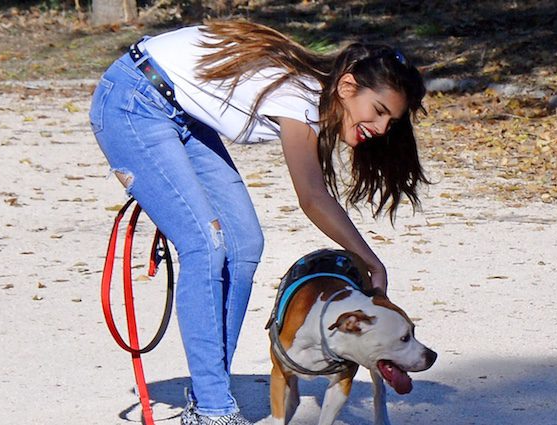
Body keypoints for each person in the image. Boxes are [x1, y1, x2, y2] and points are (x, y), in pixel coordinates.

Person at [89, 20, 428, 425]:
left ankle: (206, 398)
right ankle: (214, 409)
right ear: (347, 87)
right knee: (205, 244)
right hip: (133, 101)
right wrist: (371, 262)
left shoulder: (315, 96)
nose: (380, 129)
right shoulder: (302, 98)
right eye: (378, 112)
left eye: (390, 122)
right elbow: (313, 197)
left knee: (244, 244)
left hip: (181, 115)